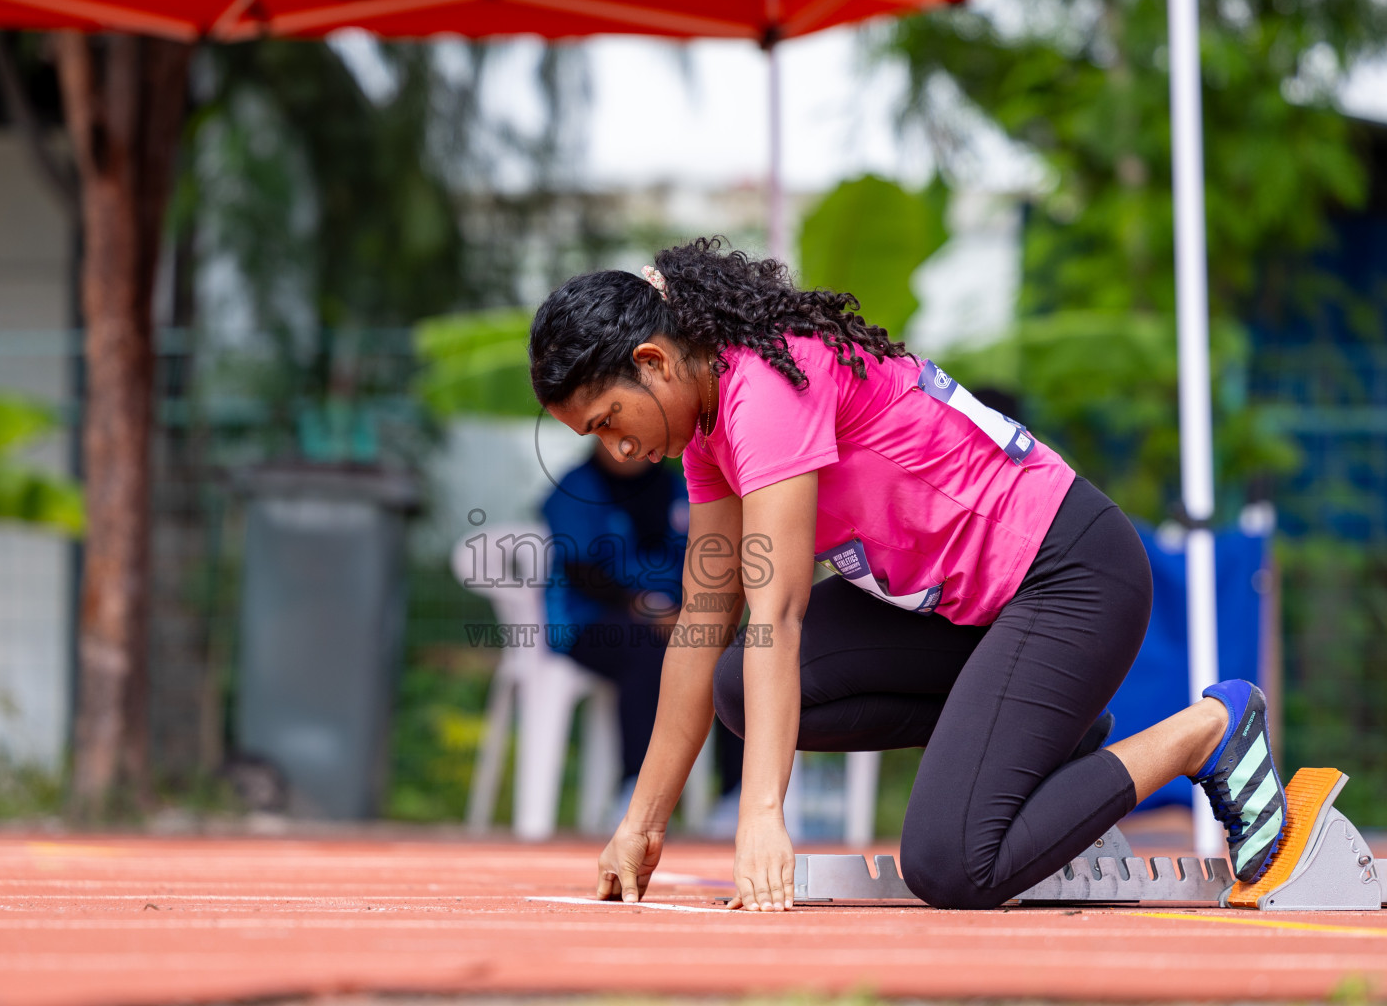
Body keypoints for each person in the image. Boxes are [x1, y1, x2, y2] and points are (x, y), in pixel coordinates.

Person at [526, 238, 1287, 911]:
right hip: (971, 618)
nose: (617, 449)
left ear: (653, 363)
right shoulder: (706, 430)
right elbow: (702, 624)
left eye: (608, 421)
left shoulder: (764, 388)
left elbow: (777, 615)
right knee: (735, 689)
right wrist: (641, 826)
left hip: (1071, 575)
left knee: (953, 865)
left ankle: (1207, 731)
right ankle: (1055, 737)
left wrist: (762, 815)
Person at [542, 442, 745, 830]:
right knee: (646, 649)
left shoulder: (678, 487)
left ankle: (735, 795)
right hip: (591, 621)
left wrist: (693, 615)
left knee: (737, 656)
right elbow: (583, 572)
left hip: (677, 618)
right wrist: (652, 611)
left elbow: (707, 559)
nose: (626, 444)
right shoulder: (574, 487)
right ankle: (635, 788)